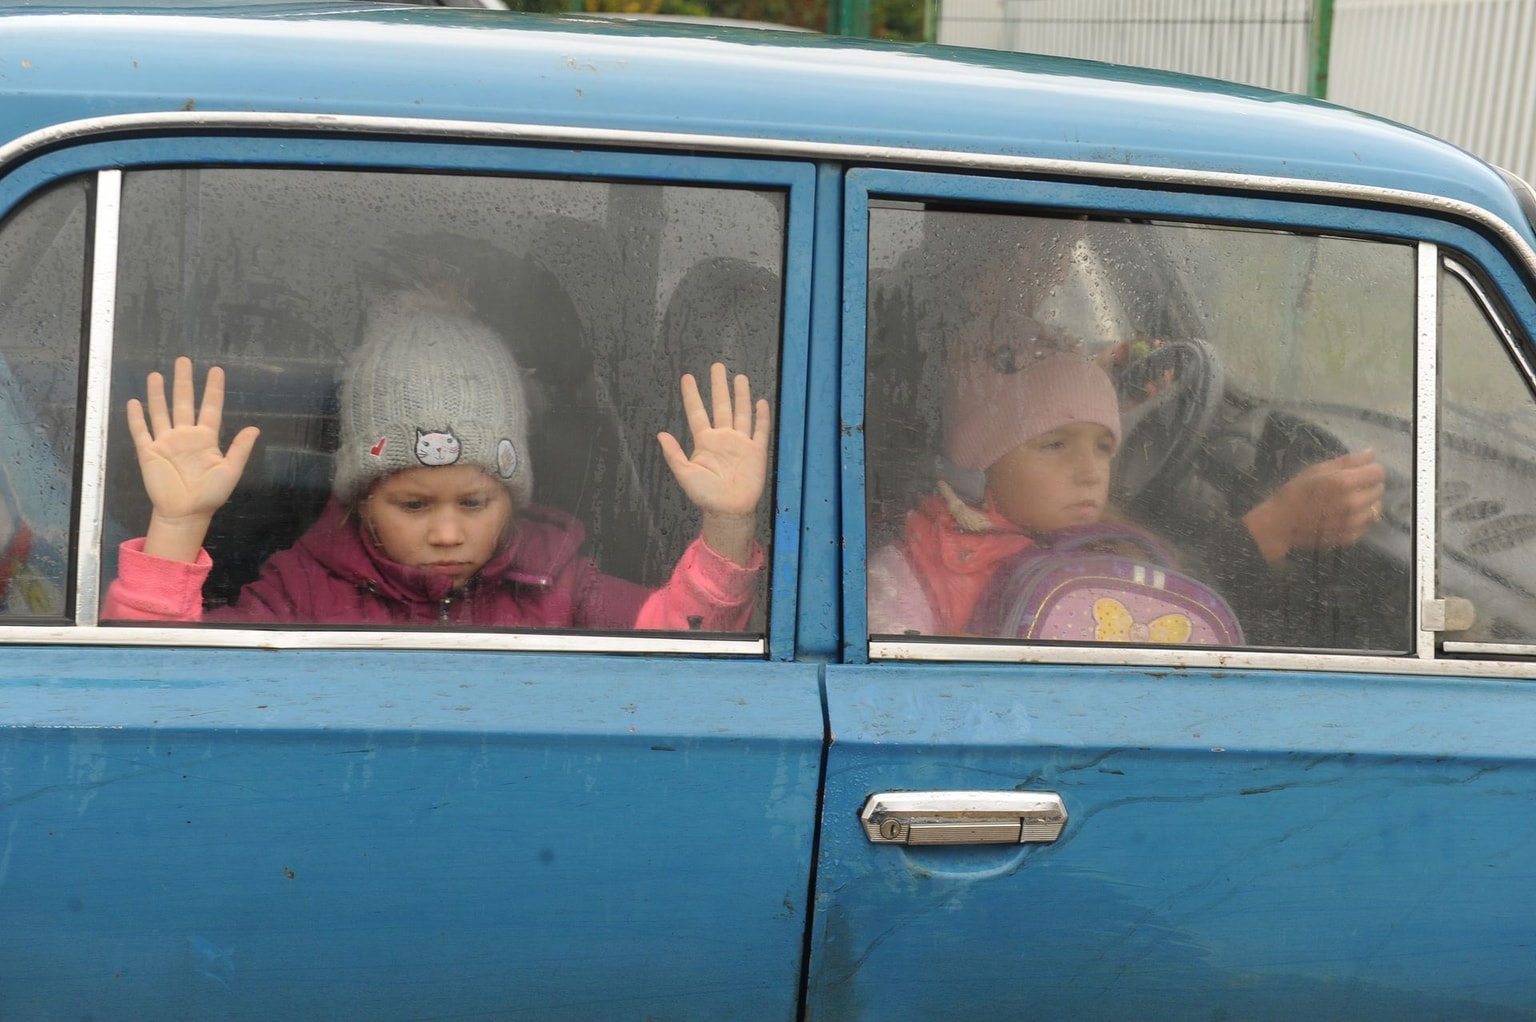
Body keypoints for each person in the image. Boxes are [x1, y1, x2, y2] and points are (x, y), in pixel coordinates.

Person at [103, 288, 772, 630]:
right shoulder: (300, 592)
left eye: (475, 502)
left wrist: (727, 526)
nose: (448, 532)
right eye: (413, 504)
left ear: (513, 495)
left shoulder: (559, 584)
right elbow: (156, 684)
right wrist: (179, 525)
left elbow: (686, 644)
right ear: (363, 498)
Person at [868, 331, 1127, 636]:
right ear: (983, 466)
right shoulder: (918, 570)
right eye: (1055, 445)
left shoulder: (1125, 550)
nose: (1090, 473)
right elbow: (895, 677)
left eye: (1102, 448)